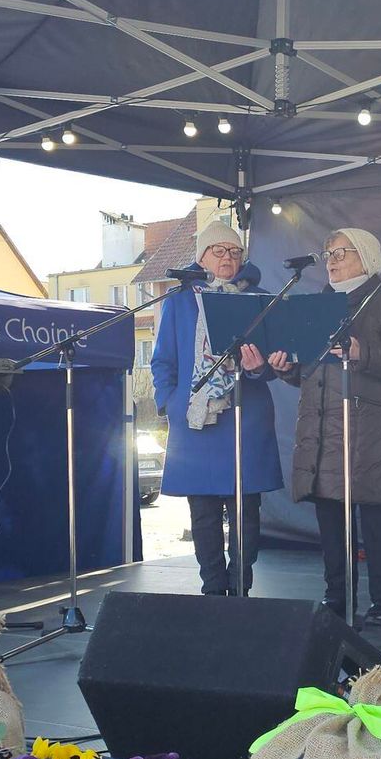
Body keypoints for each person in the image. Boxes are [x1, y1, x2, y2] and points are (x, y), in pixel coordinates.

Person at [253, 229, 381, 625]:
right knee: (331, 518)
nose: (331, 260)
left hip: (371, 428)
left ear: (366, 257)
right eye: (328, 253)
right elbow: (308, 372)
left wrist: (364, 352)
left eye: (341, 252)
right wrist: (287, 367)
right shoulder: (317, 304)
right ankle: (337, 595)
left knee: (377, 519)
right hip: (323, 427)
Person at [150, 218, 281, 596]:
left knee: (246, 512)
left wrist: (258, 368)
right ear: (201, 256)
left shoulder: (259, 298)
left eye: (235, 251)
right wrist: (170, 403)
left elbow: (274, 364)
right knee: (203, 513)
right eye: (219, 250)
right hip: (196, 420)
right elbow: (162, 361)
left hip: (245, 418)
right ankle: (212, 590)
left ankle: (240, 589)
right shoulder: (178, 300)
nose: (228, 258)